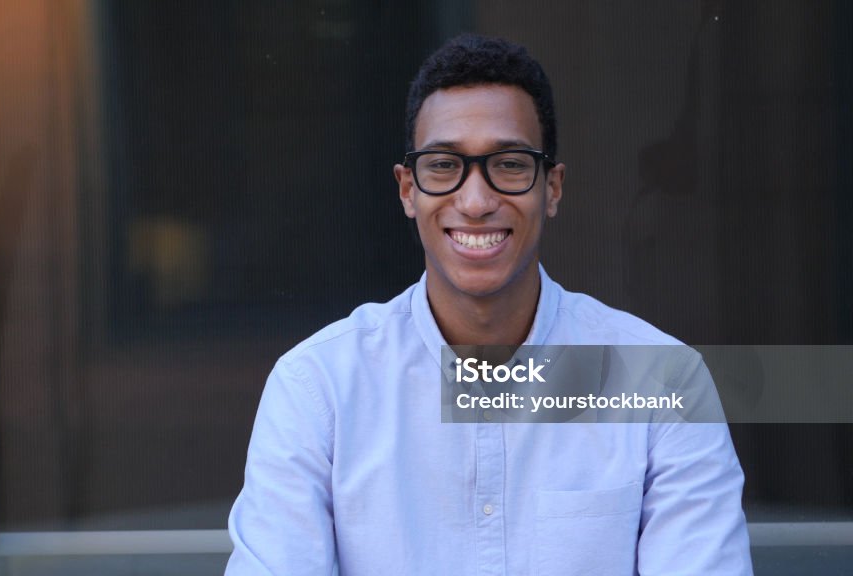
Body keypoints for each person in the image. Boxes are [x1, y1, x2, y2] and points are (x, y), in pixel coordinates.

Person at [225, 34, 752, 575]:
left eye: (510, 164)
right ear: (408, 190)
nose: (475, 202)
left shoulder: (660, 381)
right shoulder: (320, 389)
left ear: (553, 187)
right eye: (443, 165)